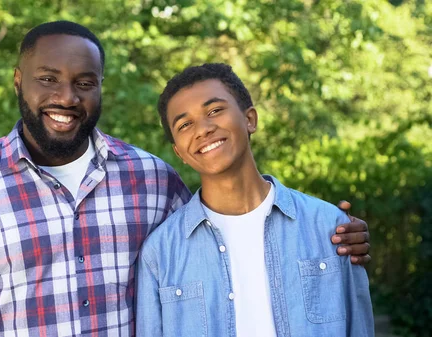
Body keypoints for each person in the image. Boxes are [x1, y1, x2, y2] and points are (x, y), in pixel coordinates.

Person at [0, 21, 371, 337]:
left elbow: (227, 233)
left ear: (100, 89)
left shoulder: (152, 180)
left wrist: (339, 233)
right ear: (19, 82)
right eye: (48, 79)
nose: (66, 97)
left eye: (84, 82)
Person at [135, 63, 374, 337]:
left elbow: (360, 328)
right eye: (185, 124)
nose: (202, 129)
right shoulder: (161, 251)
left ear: (250, 119)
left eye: (214, 111)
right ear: (179, 152)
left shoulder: (331, 227)